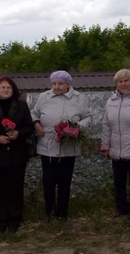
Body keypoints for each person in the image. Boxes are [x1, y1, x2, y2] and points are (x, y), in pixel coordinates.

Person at [30, 71, 92, 220]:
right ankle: (49, 211)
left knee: (65, 181)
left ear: (68, 84)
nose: (57, 87)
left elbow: (88, 117)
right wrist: (37, 125)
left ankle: (63, 213)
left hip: (68, 145)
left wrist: (75, 128)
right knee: (49, 180)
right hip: (48, 143)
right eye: (54, 84)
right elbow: (34, 113)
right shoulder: (44, 97)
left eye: (60, 84)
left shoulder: (78, 98)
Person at [0, 77, 34, 233]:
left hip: (18, 154)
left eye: (8, 87)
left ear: (13, 90)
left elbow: (29, 127)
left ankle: (15, 219)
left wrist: (18, 133)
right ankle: (0, 220)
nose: (5, 90)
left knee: (16, 188)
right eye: (2, 87)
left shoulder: (22, 106)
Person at [100, 69, 130, 220]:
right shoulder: (111, 101)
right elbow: (107, 125)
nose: (123, 83)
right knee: (119, 181)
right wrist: (105, 145)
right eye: (120, 81)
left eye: (126, 80)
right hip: (116, 148)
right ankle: (121, 207)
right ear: (116, 84)